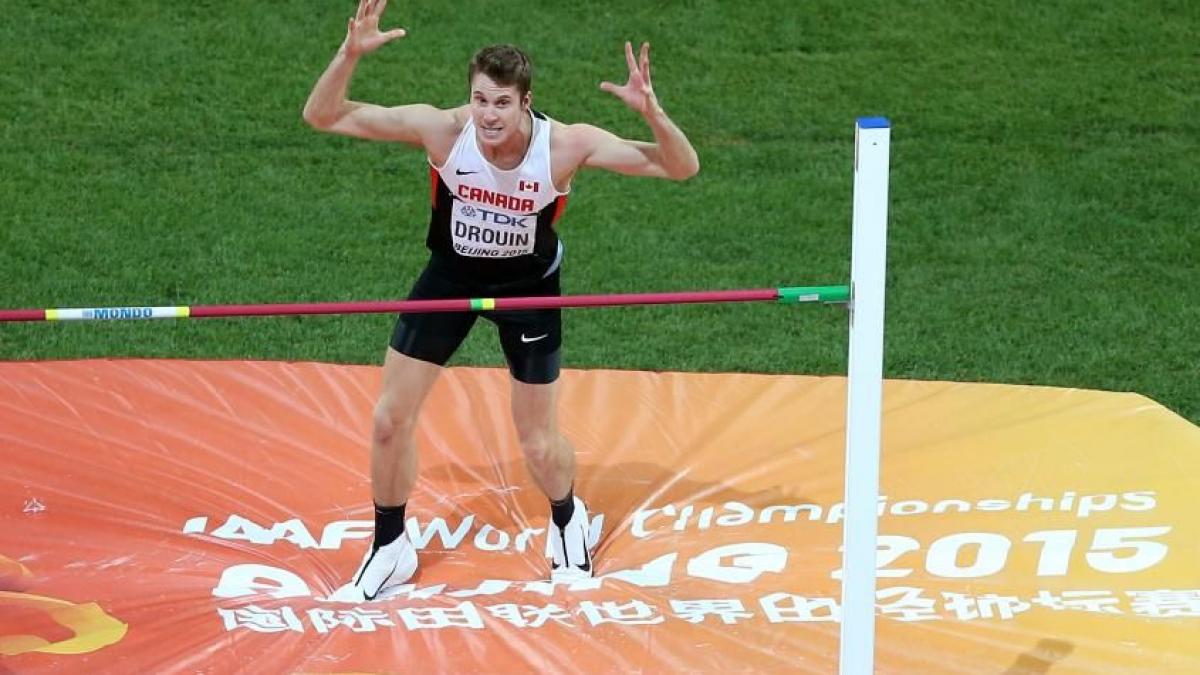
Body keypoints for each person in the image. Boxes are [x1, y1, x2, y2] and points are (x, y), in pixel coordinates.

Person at [303, 0, 699, 602]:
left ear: (525, 101)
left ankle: (568, 518)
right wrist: (349, 54)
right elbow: (323, 115)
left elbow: (681, 168)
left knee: (538, 443)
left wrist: (654, 114)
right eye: (481, 100)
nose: (488, 116)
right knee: (389, 419)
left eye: (501, 103)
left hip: (528, 290)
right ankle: (390, 544)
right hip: (450, 279)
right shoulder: (443, 129)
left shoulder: (565, 146)